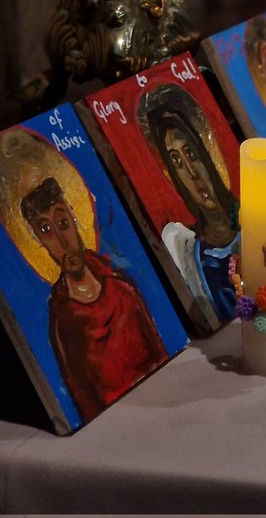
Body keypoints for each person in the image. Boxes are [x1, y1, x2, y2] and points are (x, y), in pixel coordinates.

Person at [21, 176, 167, 423]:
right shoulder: (63, 319)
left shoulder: (120, 286)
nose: (63, 240)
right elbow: (82, 398)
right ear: (39, 242)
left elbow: (158, 349)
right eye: (46, 231)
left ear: (75, 220)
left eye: (63, 222)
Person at [139, 85, 239, 324]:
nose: (192, 173)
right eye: (177, 163)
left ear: (207, 156)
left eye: (191, 155)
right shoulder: (190, 254)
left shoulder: (253, 218)